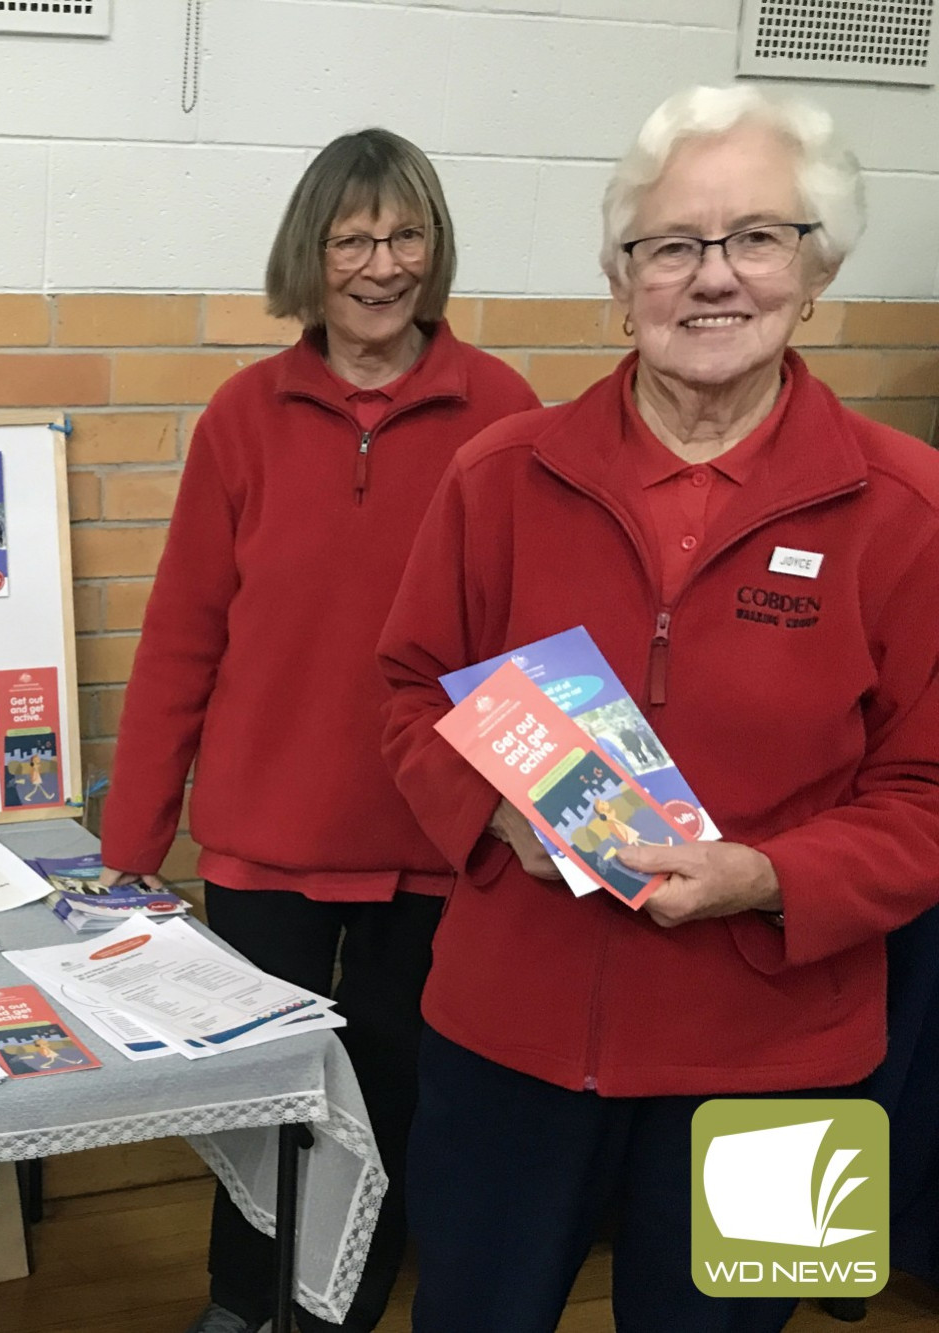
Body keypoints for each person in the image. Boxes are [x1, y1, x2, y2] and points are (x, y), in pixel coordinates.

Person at [377, 85, 939, 1332]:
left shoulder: (910, 509)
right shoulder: (501, 477)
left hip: (792, 1057)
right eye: (669, 245)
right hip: (505, 1036)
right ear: (620, 279)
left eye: (755, 237)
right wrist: (491, 816)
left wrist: (769, 875)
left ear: (814, 268)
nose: (711, 278)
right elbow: (409, 691)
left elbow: (925, 797)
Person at [100, 127, 539, 1333]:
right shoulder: (242, 415)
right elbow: (184, 634)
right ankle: (242, 1304)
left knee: (392, 1096)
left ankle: (337, 1310)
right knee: (259, 1094)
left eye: (404, 235)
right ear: (311, 252)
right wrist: (131, 839)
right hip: (263, 839)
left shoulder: (501, 412)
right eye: (351, 238)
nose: (379, 264)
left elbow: (529, 637)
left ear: (433, 249)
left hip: (430, 836)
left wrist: (539, 812)